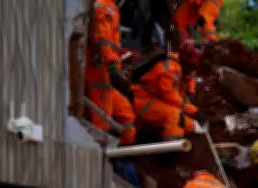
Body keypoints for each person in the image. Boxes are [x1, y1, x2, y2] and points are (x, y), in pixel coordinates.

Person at [131, 27, 198, 142]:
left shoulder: (181, 64)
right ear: (185, 61)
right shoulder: (168, 69)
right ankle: (170, 149)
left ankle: (160, 134)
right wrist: (193, 111)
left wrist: (191, 94)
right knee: (175, 115)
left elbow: (190, 77)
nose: (192, 71)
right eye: (191, 67)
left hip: (156, 99)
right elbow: (169, 96)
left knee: (187, 122)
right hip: (142, 100)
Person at [85, 0, 136, 145]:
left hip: (105, 69)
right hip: (101, 69)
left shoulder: (109, 7)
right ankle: (98, 150)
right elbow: (102, 39)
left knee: (125, 111)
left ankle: (123, 150)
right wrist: (112, 67)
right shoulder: (106, 7)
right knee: (102, 118)